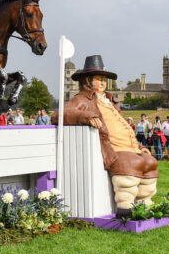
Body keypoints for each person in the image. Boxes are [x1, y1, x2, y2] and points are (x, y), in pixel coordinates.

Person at [51, 55, 158, 218]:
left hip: (130, 147)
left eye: (104, 79)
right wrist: (84, 116)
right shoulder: (81, 99)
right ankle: (125, 206)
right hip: (114, 150)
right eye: (98, 79)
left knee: (150, 162)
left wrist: (140, 146)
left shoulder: (109, 101)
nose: (102, 83)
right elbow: (58, 115)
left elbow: (124, 127)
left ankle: (144, 202)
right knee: (132, 162)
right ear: (87, 80)